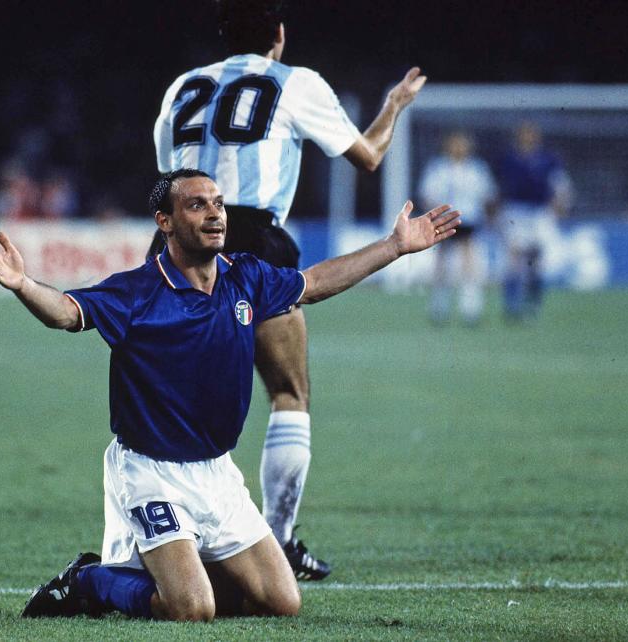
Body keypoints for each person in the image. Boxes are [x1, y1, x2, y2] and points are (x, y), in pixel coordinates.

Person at [0, 169, 460, 621]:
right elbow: (66, 313)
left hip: (217, 473)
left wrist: (395, 246)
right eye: (196, 205)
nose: (215, 214)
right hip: (151, 472)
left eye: (218, 203)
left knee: (281, 601)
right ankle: (87, 579)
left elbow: (313, 284)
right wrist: (23, 284)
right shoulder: (138, 291)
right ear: (164, 222)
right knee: (191, 609)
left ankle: (169, 571)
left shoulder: (246, 276)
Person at [148, 0, 427, 580]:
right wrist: (393, 107)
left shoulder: (182, 86)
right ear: (279, 34)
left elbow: (167, 177)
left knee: (169, 404)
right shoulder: (295, 83)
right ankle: (276, 545)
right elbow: (369, 156)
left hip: (175, 245)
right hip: (250, 235)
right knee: (288, 391)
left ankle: (163, 539)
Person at [418, 131, 497, 325]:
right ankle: (439, 308)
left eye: (462, 144)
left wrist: (489, 218)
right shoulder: (438, 168)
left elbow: (488, 196)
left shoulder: (477, 169)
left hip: (469, 220)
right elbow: (427, 195)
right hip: (445, 220)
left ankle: (470, 309)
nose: (459, 148)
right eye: (455, 144)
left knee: (470, 266)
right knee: (442, 265)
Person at [496, 122, 573, 321]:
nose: (527, 138)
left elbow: (560, 183)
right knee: (513, 258)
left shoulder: (548, 159)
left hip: (539, 212)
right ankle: (511, 305)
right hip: (515, 210)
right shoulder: (509, 158)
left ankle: (533, 304)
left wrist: (561, 203)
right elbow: (499, 187)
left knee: (535, 260)